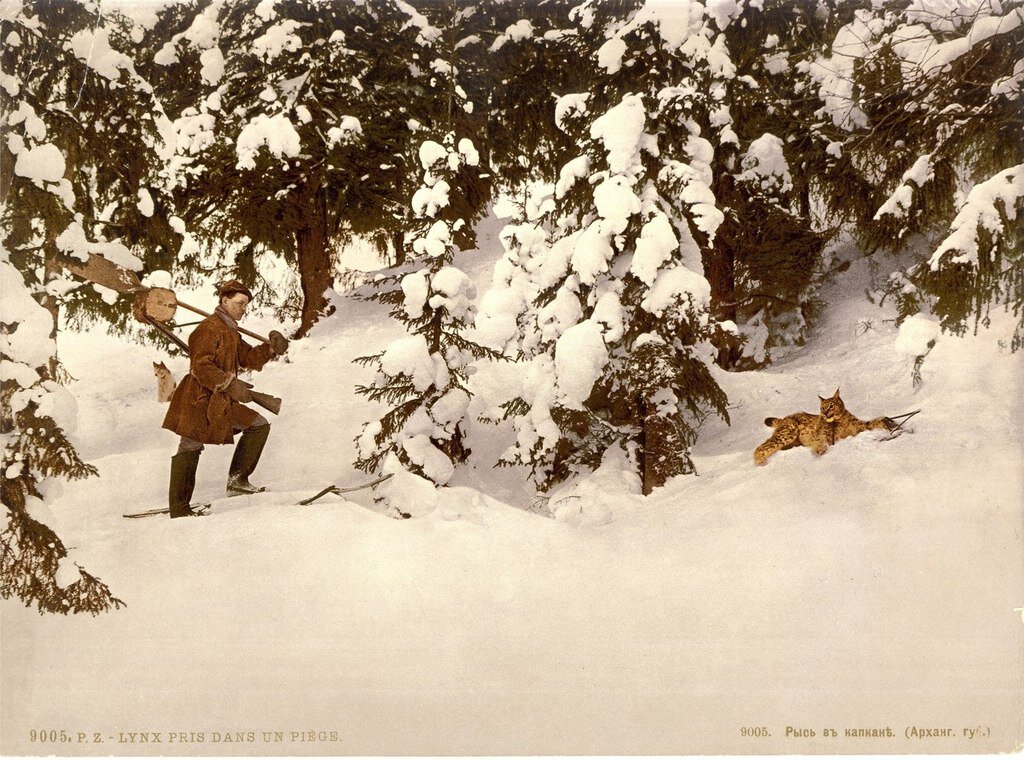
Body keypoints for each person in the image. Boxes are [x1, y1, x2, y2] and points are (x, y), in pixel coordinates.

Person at [162, 280, 289, 518]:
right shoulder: (209, 329)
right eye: (240, 303)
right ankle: (179, 510)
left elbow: (248, 357)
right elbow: (201, 366)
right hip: (198, 398)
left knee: (258, 425)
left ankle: (238, 481)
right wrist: (230, 384)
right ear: (224, 301)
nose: (243, 309)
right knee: (190, 445)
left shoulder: (230, 330)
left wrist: (270, 349)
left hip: (219, 400)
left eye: (246, 305)